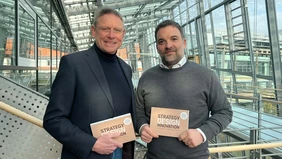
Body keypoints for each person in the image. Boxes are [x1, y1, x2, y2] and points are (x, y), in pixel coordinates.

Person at [43, 8, 136, 159]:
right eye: (105, 29)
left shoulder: (126, 69)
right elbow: (53, 119)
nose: (111, 35)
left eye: (117, 30)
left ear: (123, 34)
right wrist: (91, 143)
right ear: (93, 31)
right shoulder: (73, 64)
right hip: (88, 155)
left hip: (121, 152)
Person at [136, 20, 233, 159]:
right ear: (157, 47)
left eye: (174, 39)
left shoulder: (206, 76)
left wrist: (201, 133)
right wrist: (142, 126)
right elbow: (138, 111)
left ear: (184, 42)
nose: (168, 45)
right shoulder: (146, 78)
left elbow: (224, 112)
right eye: (162, 41)